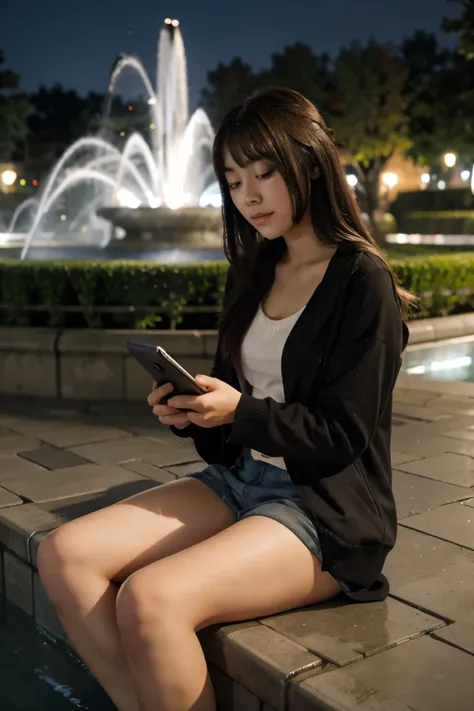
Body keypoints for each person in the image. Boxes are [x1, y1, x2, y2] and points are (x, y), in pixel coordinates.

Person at [37, 87, 412, 711]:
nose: (248, 196)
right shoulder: (256, 269)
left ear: (311, 165)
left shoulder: (360, 280)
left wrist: (239, 411)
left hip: (324, 510)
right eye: (234, 180)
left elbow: (344, 433)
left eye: (265, 174)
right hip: (241, 479)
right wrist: (190, 411)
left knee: (151, 598)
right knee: (63, 555)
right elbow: (228, 421)